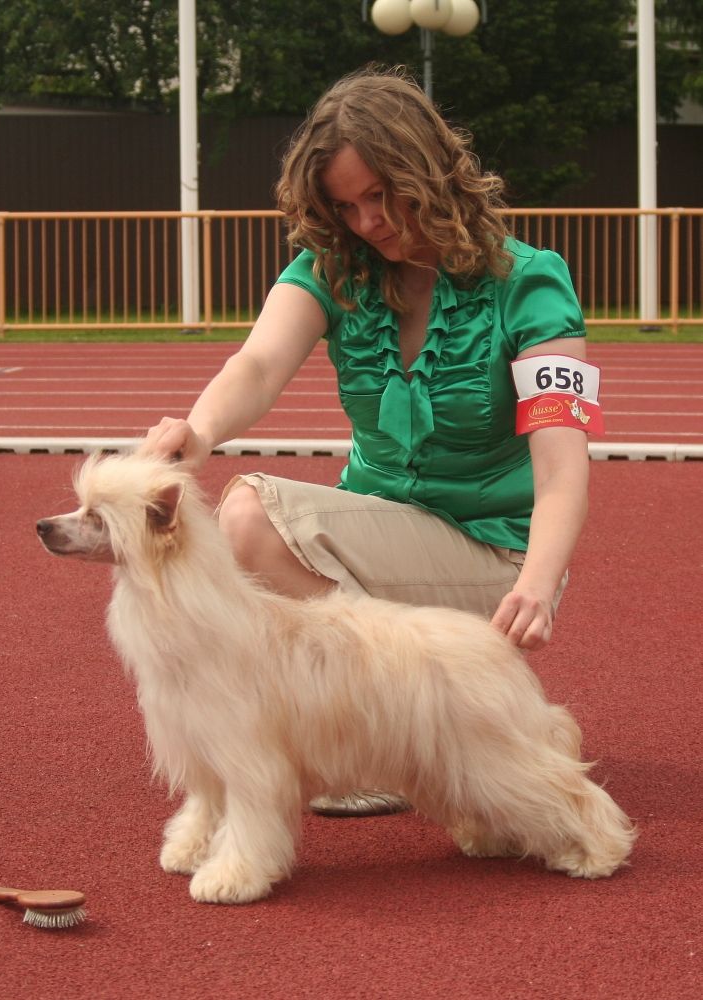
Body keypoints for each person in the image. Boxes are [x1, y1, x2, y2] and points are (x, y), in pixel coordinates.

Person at [141, 65, 594, 817]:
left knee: (251, 515)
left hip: (496, 561)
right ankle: (418, 729)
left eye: (380, 195)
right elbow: (256, 363)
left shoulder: (530, 282)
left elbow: (561, 473)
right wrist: (200, 430)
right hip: (373, 552)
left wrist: (539, 584)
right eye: (345, 206)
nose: (367, 222)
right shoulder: (335, 270)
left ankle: (396, 741)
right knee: (245, 531)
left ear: (428, 171)